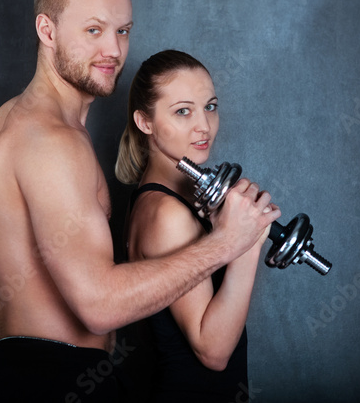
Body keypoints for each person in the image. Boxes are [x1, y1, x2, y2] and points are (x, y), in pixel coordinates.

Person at [0, 0, 280, 402]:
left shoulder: (6, 120)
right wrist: (229, 243)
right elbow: (98, 306)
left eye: (122, 31)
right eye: (93, 30)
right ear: (47, 30)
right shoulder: (52, 141)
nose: (113, 50)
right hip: (52, 379)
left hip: (17, 369)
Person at [115, 50, 276, 402]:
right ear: (145, 121)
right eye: (183, 111)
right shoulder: (166, 214)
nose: (204, 125)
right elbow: (213, 351)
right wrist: (245, 244)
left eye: (211, 106)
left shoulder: (174, 198)